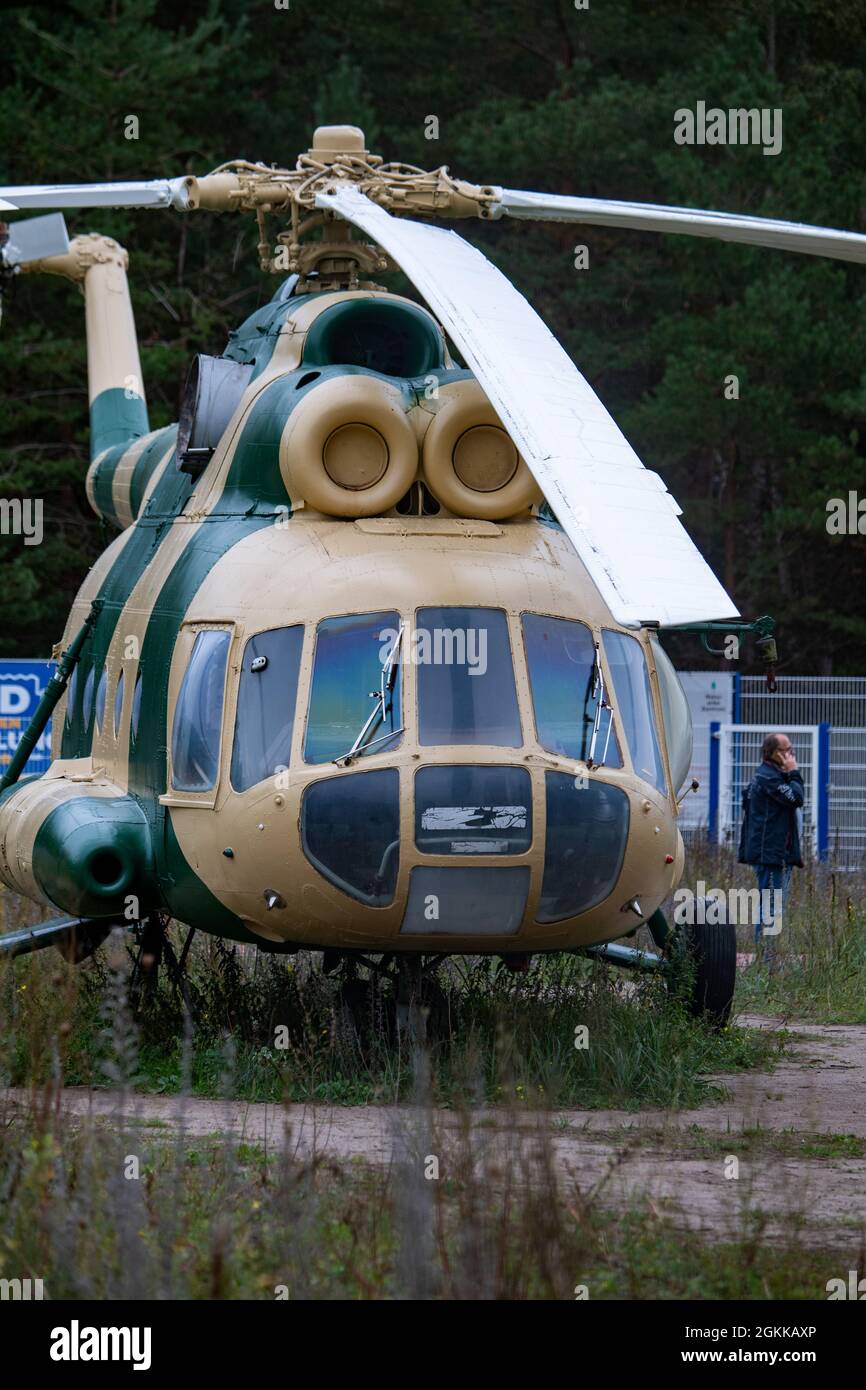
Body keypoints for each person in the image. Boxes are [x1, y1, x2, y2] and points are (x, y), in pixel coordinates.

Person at [737, 731, 804, 955]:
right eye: (787, 751)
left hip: (777, 855)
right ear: (775, 753)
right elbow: (796, 798)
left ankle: (767, 957)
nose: (791, 754)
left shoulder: (773, 776)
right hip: (771, 856)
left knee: (772, 907)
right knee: (772, 909)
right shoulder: (768, 778)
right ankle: (768, 961)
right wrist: (794, 772)